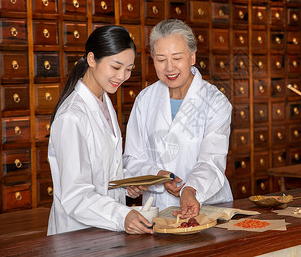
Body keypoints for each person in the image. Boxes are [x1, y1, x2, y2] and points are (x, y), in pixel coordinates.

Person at [47, 25, 153, 235]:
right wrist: (122, 215)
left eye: (129, 69)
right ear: (92, 59)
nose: (122, 76)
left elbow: (102, 170)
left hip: (105, 232)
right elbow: (75, 195)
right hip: (77, 235)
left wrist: (125, 184)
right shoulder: (72, 116)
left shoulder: (103, 102)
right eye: (116, 67)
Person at [123, 19, 233, 218]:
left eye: (177, 58)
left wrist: (190, 189)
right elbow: (132, 158)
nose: (169, 68)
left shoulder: (215, 102)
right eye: (161, 59)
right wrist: (158, 176)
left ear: (192, 57)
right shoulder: (145, 99)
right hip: (158, 209)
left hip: (207, 206)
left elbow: (211, 160)